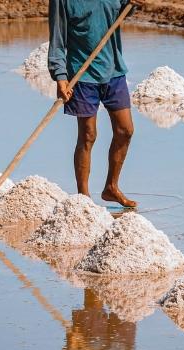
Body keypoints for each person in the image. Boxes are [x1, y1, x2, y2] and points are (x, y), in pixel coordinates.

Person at [48, 0, 143, 208]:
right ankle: (84, 198)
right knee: (88, 135)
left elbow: (122, 10)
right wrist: (60, 76)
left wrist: (133, 4)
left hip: (114, 71)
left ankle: (111, 187)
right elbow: (57, 40)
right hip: (81, 75)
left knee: (125, 130)